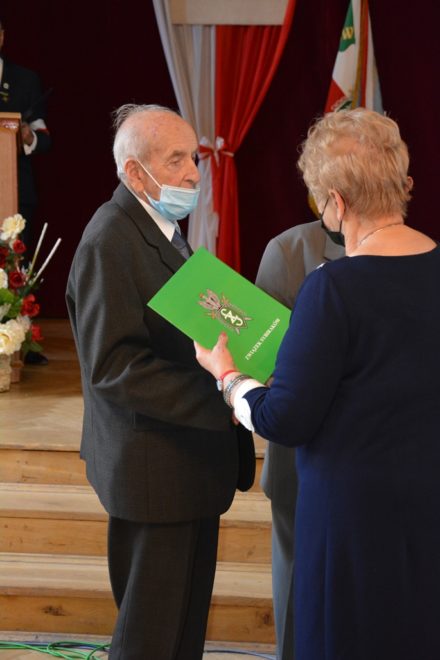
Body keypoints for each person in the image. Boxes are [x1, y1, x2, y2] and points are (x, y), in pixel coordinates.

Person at [195, 107, 440, 660]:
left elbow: (285, 418)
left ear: (337, 201)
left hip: (354, 517)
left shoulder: (334, 288)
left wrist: (228, 377)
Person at [66, 103, 255, 660]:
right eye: (177, 160)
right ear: (134, 172)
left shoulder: (159, 226)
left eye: (193, 157)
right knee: (149, 639)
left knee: (182, 634)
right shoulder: (109, 240)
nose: (193, 173)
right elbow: (113, 367)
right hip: (155, 473)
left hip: (187, 465)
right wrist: (221, 394)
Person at [256, 221, 344, 660]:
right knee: (297, 595)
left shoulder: (410, 252)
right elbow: (263, 360)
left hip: (375, 463)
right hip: (301, 459)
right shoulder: (288, 252)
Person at [0, 17, 51, 365]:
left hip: (13, 192)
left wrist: (27, 136)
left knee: (17, 268)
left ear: (2, 36)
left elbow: (44, 138)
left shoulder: (25, 80)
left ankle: (21, 343)